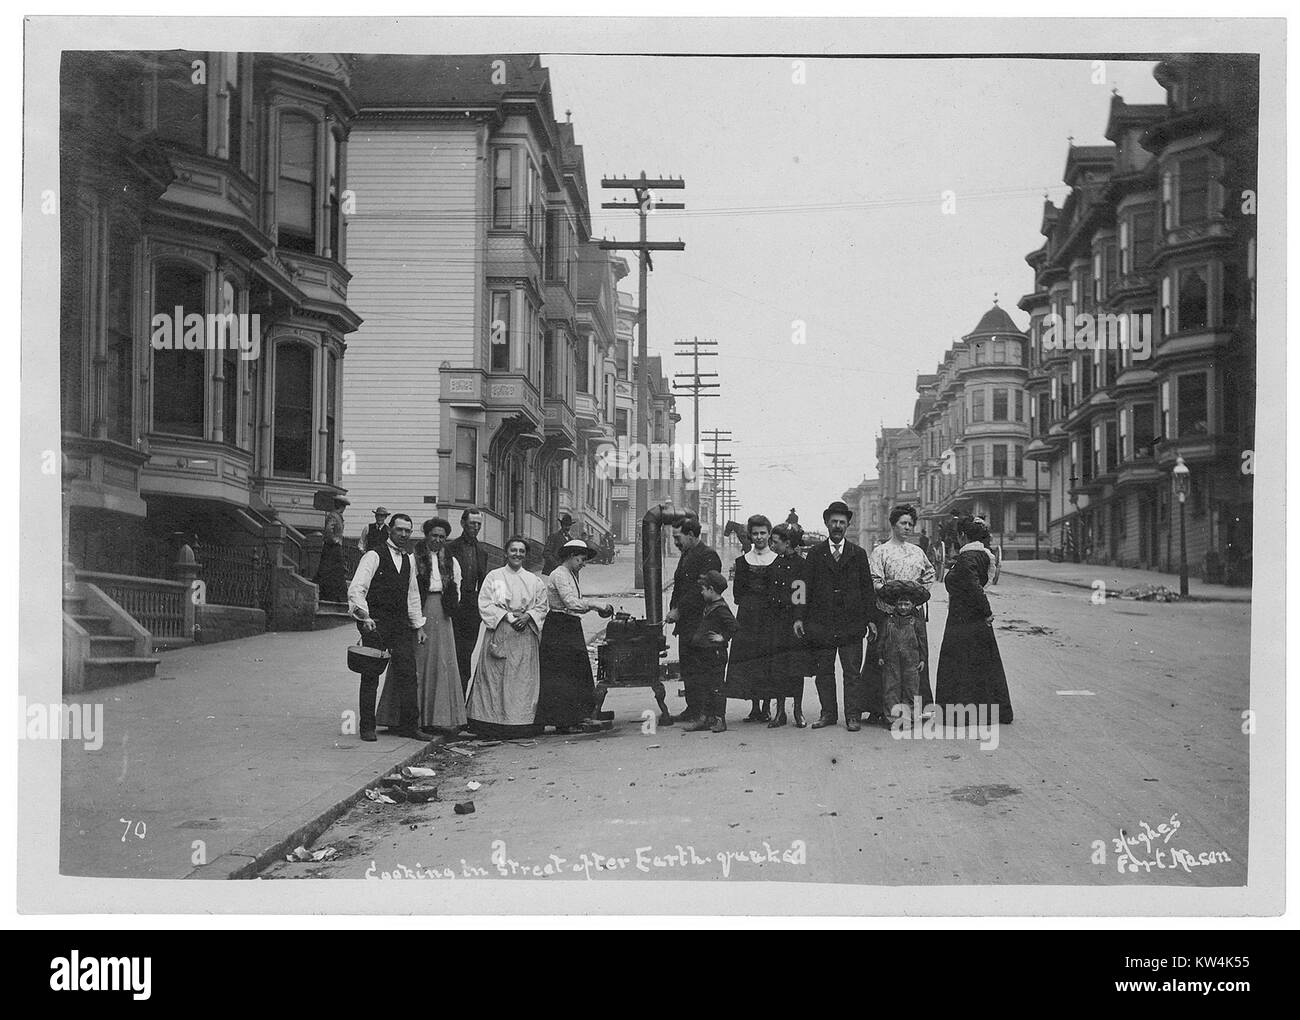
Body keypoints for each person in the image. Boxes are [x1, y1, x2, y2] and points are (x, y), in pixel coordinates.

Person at [794, 500, 883, 732]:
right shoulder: (814, 554)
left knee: (852, 673)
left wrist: (871, 619)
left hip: (851, 625)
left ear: (847, 525)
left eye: (842, 522)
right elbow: (801, 587)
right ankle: (828, 714)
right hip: (820, 625)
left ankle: (852, 716)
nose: (837, 526)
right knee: (824, 672)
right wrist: (798, 617)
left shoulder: (858, 554)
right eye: (833, 521)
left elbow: (867, 590)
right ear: (826, 523)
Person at [348, 513, 432, 741]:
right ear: (390, 531)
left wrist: (418, 626)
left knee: (407, 674)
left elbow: (412, 595)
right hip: (375, 624)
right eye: (399, 530)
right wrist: (364, 617)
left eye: (407, 531)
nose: (404, 534)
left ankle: (409, 726)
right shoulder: (373, 555)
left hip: (400, 625)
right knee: (371, 674)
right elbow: (357, 588)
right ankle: (367, 727)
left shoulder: (409, 559)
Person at [465, 536, 549, 739]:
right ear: (506, 553)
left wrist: (528, 616)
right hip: (502, 630)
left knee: (521, 680)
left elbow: (542, 605)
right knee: (496, 679)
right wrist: (510, 617)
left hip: (524, 634)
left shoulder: (533, 580)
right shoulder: (496, 577)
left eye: (521, 551)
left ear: (526, 555)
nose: (517, 554)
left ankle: (520, 723)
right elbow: (486, 603)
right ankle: (492, 723)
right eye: (513, 550)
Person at [935, 517, 1013, 723]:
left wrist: (987, 611)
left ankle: (961, 714)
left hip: (964, 618)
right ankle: (988, 711)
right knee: (981, 663)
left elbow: (973, 586)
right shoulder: (981, 555)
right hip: (973, 618)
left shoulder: (968, 556)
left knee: (961, 663)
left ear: (962, 536)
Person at [536, 539, 614, 733]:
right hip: (559, 627)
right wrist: (595, 605)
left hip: (569, 625)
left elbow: (576, 604)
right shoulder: (559, 574)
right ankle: (564, 720)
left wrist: (592, 607)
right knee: (562, 674)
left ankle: (580, 715)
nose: (583, 563)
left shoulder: (571, 573)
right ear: (570, 556)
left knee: (576, 671)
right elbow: (571, 602)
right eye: (580, 559)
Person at [868, 504, 938, 721]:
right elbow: (875, 579)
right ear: (893, 524)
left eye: (910, 524)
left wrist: (917, 594)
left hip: (911, 615)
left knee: (915, 658)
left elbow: (929, 574)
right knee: (883, 660)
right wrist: (890, 593)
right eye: (903, 523)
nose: (908, 527)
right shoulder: (881, 551)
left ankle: (917, 707)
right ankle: (880, 709)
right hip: (887, 612)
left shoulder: (917, 551)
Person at [403, 517, 465, 732]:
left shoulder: (450, 560)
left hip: (443, 613)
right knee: (420, 662)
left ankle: (439, 718)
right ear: (426, 535)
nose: (437, 540)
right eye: (434, 535)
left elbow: (457, 585)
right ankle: (416, 719)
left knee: (443, 663)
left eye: (442, 537)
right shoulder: (413, 558)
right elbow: (410, 589)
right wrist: (416, 618)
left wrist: (451, 606)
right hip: (422, 608)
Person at [665, 516, 722, 722]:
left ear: (690, 535)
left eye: (677, 537)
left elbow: (701, 590)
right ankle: (693, 708)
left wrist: (679, 609)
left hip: (702, 621)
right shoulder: (687, 554)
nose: (675, 542)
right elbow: (679, 585)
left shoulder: (708, 556)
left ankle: (707, 712)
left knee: (702, 667)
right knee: (688, 667)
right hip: (687, 623)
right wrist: (673, 606)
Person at [725, 514, 777, 723]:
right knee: (750, 661)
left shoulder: (776, 560)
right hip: (748, 618)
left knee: (767, 660)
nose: (759, 537)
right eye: (755, 533)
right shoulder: (742, 561)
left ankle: (766, 706)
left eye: (763, 533)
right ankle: (754, 706)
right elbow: (738, 594)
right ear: (749, 535)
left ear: (769, 534)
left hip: (769, 618)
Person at [766, 522, 810, 728]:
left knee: (796, 668)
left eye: (775, 542)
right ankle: (780, 712)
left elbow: (800, 597)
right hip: (776, 624)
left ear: (787, 543)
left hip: (793, 625)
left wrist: (799, 619)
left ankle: (798, 711)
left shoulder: (801, 566)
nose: (772, 545)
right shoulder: (774, 564)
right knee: (778, 669)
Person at [683, 570, 738, 733]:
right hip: (705, 654)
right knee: (705, 687)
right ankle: (705, 718)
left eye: (704, 589)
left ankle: (720, 720)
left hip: (715, 655)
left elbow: (734, 626)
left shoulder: (720, 608)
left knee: (717, 688)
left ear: (712, 590)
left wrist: (723, 637)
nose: (701, 592)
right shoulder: (710, 605)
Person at [876, 579, 931, 726]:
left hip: (911, 661)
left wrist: (923, 659)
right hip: (891, 661)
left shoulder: (916, 622)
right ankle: (891, 719)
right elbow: (882, 639)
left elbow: (922, 641)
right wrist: (880, 656)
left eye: (906, 604)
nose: (903, 607)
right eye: (900, 604)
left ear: (913, 605)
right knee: (891, 689)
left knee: (911, 690)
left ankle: (909, 719)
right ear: (895, 605)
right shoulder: (889, 621)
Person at [447, 507, 489, 692]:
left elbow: (483, 582)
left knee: (466, 657)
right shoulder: (450, 548)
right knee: (451, 655)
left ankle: (461, 706)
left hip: (472, 610)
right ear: (463, 523)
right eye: (472, 523)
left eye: (479, 524)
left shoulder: (482, 550)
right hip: (453, 607)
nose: (476, 527)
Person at [313, 496, 349, 603]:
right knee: (330, 570)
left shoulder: (337, 516)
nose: (344, 509)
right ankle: (328, 595)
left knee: (337, 571)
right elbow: (329, 529)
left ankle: (336, 596)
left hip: (335, 547)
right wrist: (335, 540)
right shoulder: (333, 516)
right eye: (344, 506)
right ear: (341, 506)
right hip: (331, 548)